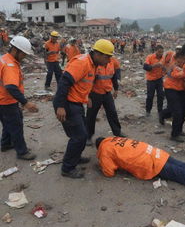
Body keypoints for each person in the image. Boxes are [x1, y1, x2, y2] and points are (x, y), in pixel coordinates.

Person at [96, 136, 185, 197]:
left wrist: (101, 165)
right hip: (157, 154)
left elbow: (109, 172)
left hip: (152, 164)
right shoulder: (114, 139)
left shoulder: (104, 150)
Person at [53, 39, 114, 178]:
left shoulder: (93, 64)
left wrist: (87, 97)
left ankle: (75, 157)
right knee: (78, 137)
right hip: (67, 103)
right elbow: (64, 83)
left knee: (83, 133)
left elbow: (82, 84)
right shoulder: (82, 63)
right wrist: (61, 106)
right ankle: (67, 168)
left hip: (76, 102)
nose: (109, 61)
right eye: (107, 57)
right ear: (97, 54)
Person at [0, 36, 38, 160]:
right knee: (16, 125)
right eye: (24, 54)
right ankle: (22, 152)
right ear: (16, 50)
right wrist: (25, 103)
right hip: (6, 101)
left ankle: (5, 144)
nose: (25, 57)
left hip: (3, 100)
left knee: (7, 123)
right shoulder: (10, 64)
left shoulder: (4, 59)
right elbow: (11, 87)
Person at [86, 56, 125, 145]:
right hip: (95, 94)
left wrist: (116, 89)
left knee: (112, 113)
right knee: (91, 115)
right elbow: (88, 82)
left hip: (107, 93)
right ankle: (88, 136)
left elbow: (113, 77)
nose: (108, 59)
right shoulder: (95, 65)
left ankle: (117, 132)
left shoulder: (111, 63)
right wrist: (87, 96)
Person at [161, 52, 185, 143]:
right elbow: (176, 75)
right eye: (179, 59)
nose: (181, 61)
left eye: (183, 59)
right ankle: (174, 134)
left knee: (181, 111)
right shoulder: (175, 66)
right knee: (177, 112)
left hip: (180, 90)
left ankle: (178, 130)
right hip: (170, 89)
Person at [143, 45, 165, 118]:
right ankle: (148, 111)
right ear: (156, 51)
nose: (161, 53)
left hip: (159, 79)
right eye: (159, 52)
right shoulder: (150, 57)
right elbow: (146, 67)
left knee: (160, 96)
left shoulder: (164, 58)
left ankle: (160, 111)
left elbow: (166, 68)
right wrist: (154, 65)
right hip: (151, 80)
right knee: (150, 96)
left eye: (162, 52)